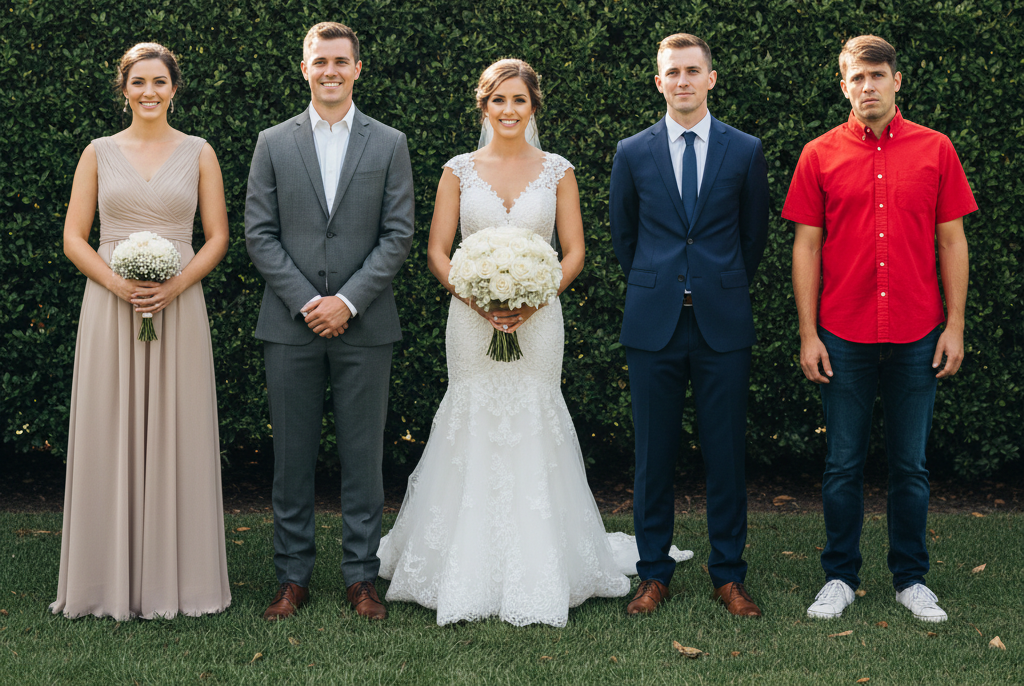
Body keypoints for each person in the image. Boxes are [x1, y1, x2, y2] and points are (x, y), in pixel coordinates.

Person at [377, 59, 690, 627]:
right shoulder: (457, 171)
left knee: (535, 412)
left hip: (540, 318)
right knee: (470, 413)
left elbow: (574, 251)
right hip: (470, 320)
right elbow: (437, 252)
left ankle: (544, 560)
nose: (509, 110)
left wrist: (535, 297)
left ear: (533, 107)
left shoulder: (557, 171)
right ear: (484, 106)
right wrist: (477, 298)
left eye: (519, 100)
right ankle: (461, 561)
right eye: (498, 100)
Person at [782, 34, 977, 623]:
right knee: (842, 465)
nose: (867, 86)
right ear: (844, 86)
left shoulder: (936, 148)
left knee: (910, 467)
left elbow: (952, 241)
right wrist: (809, 334)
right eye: (856, 78)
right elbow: (806, 247)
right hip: (843, 333)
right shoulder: (818, 154)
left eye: (876, 75)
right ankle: (839, 576)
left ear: (896, 80)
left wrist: (955, 326)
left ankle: (910, 579)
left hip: (919, 333)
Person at [51, 42, 231, 620]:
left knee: (180, 426)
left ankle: (180, 581)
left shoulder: (199, 151)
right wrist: (116, 283)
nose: (149, 92)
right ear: (124, 89)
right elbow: (74, 236)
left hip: (180, 303)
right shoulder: (98, 152)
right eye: (138, 82)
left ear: (174, 89)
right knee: (109, 425)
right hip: (111, 305)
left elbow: (218, 237)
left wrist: (175, 286)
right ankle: (104, 581)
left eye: (159, 82)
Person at [245, 22, 415, 622]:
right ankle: (292, 578)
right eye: (320, 61)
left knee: (364, 459)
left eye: (341, 61)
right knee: (291, 459)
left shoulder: (389, 143)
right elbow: (259, 234)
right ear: (305, 68)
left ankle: (361, 577)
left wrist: (347, 301)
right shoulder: (273, 142)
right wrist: (307, 301)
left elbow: (398, 234)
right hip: (289, 326)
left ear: (357, 69)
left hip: (366, 326)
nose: (331, 71)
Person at [609, 33, 770, 618]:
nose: (682, 80)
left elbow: (753, 236)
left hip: (721, 324)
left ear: (711, 79)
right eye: (672, 72)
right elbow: (625, 236)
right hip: (653, 324)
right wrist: (661, 284)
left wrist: (713, 284)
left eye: (692, 70)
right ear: (659, 82)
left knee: (725, 454)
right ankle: (654, 573)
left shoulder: (745, 149)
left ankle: (728, 574)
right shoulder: (632, 151)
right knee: (653, 456)